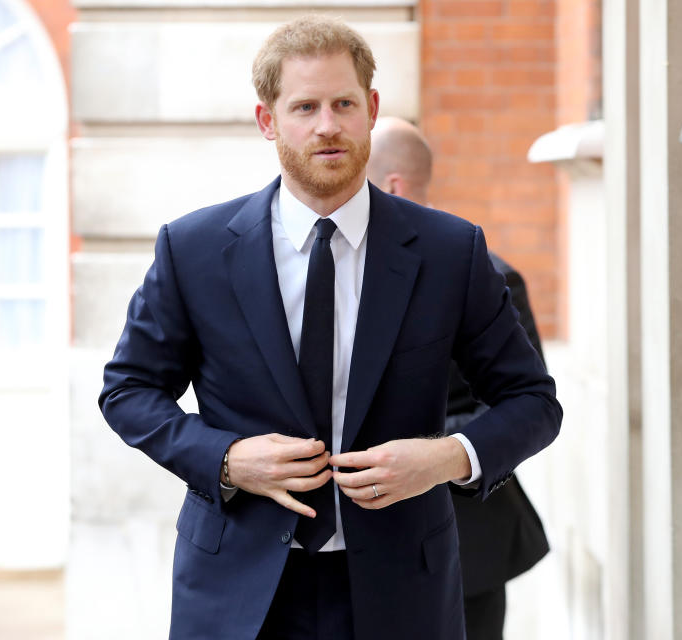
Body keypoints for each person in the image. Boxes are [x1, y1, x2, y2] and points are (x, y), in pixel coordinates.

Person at [99, 15, 561, 640]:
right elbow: (128, 391)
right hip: (237, 589)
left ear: (371, 109)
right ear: (268, 121)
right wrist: (228, 458)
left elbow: (533, 401)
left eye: (344, 103)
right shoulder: (195, 249)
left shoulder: (451, 251)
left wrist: (447, 458)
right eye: (305, 106)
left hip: (403, 591)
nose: (327, 125)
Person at [368, 117, 551, 640]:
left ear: (393, 185)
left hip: (468, 538)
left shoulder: (488, 274)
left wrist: (434, 452)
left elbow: (525, 405)